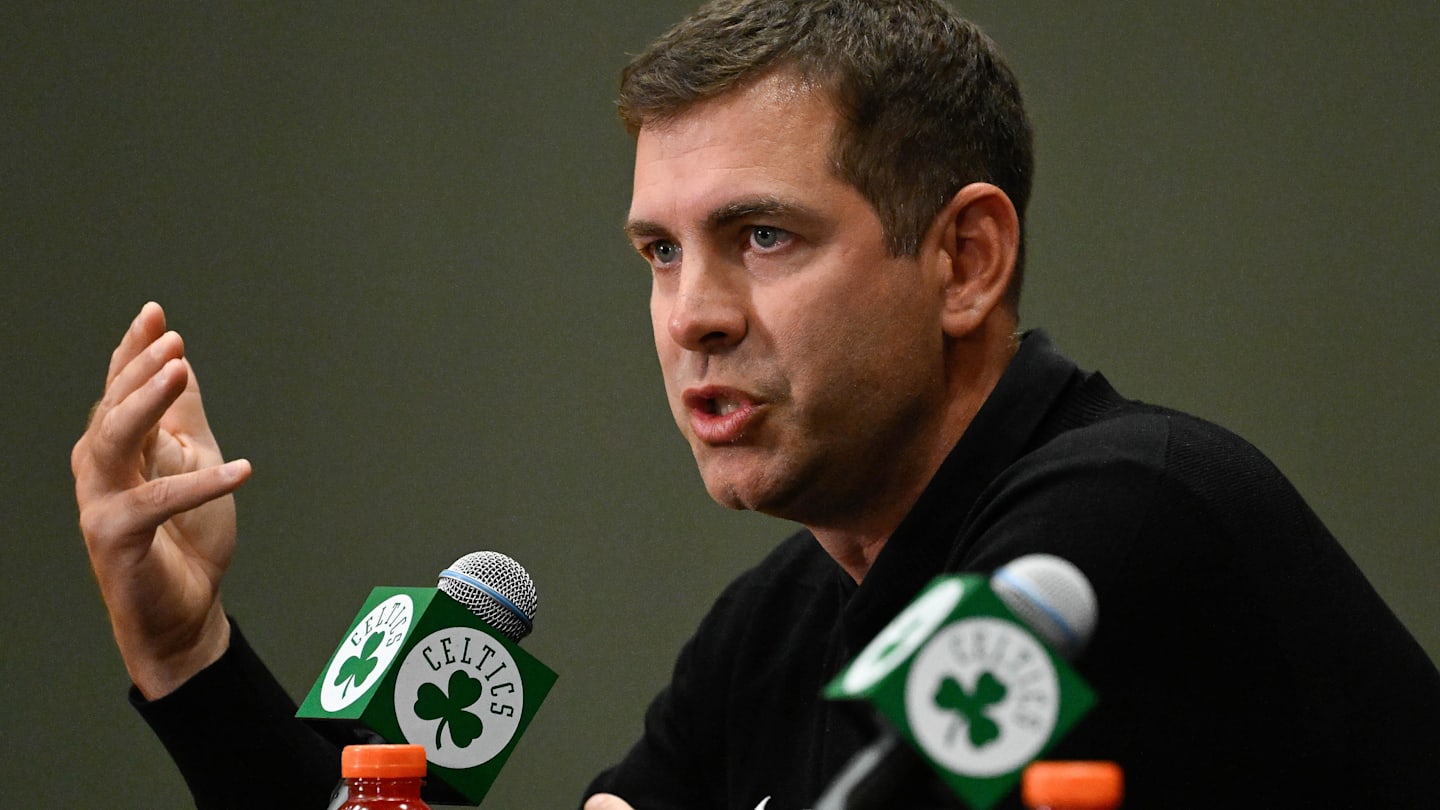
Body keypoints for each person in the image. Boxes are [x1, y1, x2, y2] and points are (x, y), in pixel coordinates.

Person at [72, 1, 1440, 809]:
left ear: (966, 259)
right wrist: (190, 657)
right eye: (660, 252)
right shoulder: (775, 627)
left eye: (763, 236)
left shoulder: (1119, 532)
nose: (693, 314)